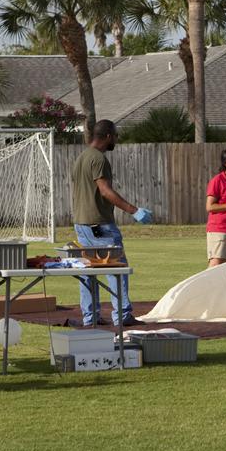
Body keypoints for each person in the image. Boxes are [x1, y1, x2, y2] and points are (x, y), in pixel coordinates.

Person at [71, 119, 153, 327]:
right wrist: (134, 211)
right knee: (117, 268)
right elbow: (105, 191)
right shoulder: (98, 159)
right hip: (100, 225)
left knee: (88, 271)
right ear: (107, 136)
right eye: (115, 135)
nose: (116, 139)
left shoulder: (81, 157)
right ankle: (122, 315)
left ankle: (90, 317)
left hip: (81, 224)